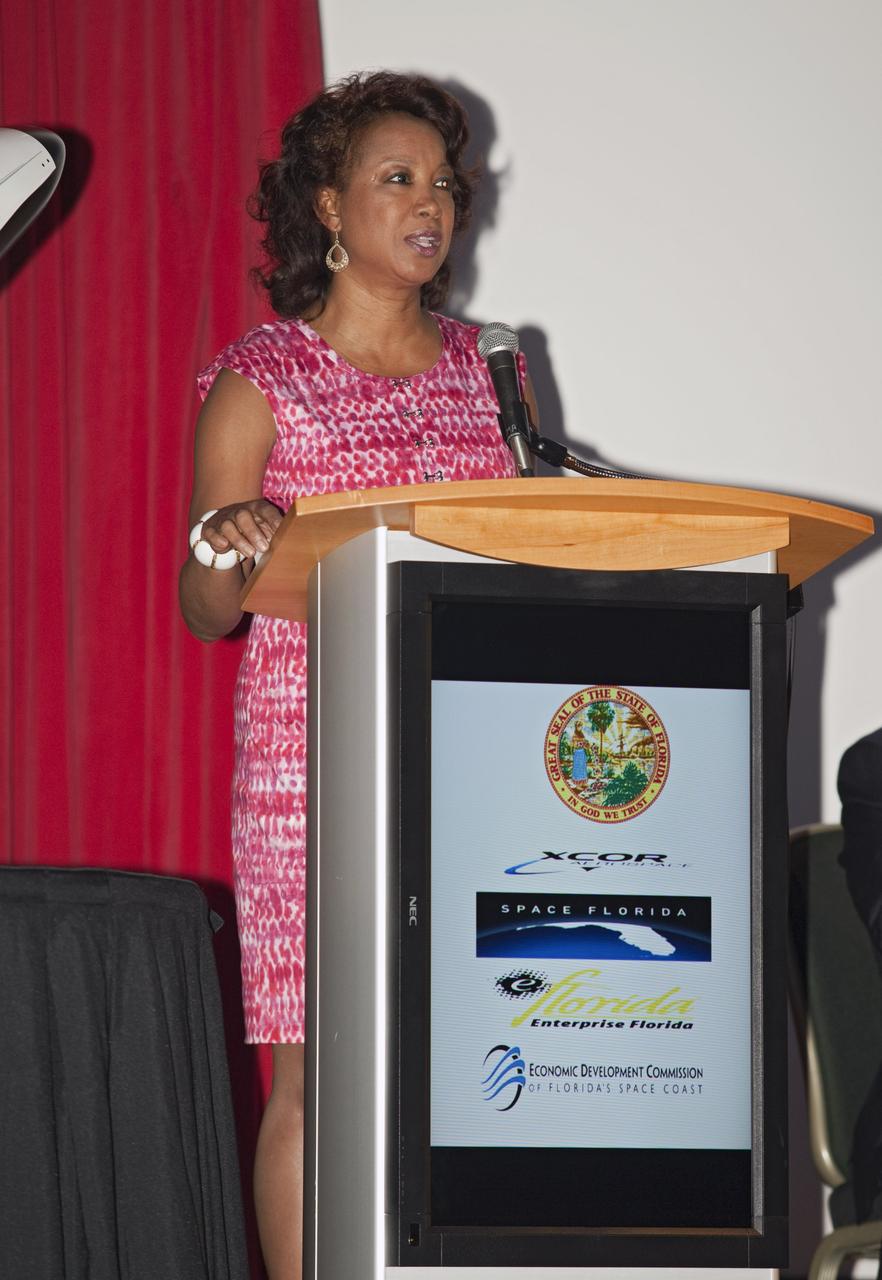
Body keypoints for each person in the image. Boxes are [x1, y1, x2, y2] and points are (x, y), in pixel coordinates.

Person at [179, 71, 538, 1280]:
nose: (431, 203)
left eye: (444, 182)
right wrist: (227, 549)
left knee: (467, 1054)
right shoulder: (263, 374)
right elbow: (201, 609)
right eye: (398, 179)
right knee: (315, 1075)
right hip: (313, 756)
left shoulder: (492, 369)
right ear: (329, 206)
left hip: (469, 751)